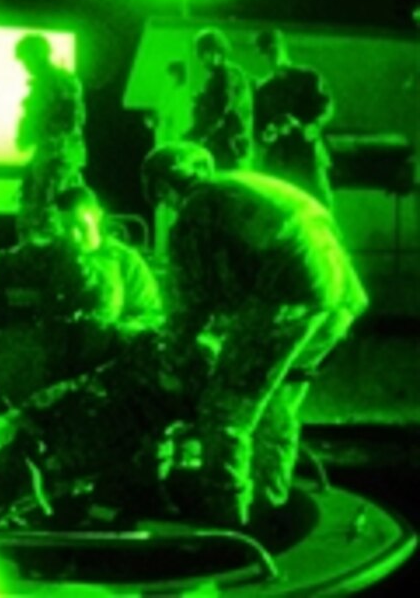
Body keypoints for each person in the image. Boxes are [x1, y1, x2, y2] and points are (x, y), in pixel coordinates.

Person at [141, 142, 368, 527]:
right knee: (275, 401)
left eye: (163, 195)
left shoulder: (197, 209)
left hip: (288, 295)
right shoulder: (248, 184)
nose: (166, 204)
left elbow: (190, 304)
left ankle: (227, 526)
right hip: (342, 296)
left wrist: (171, 360)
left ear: (167, 186)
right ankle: (270, 506)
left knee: (224, 409)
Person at [52, 186, 163, 334]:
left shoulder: (126, 260)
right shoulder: (52, 255)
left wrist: (116, 334)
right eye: (66, 227)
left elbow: (150, 314)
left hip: (111, 352)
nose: (74, 237)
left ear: (98, 216)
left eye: (82, 227)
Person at [13, 34, 88, 243]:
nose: (25, 65)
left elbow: (68, 117)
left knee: (49, 212)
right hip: (47, 153)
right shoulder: (44, 83)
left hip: (57, 154)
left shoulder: (60, 80)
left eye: (26, 58)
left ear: (40, 54)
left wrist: (37, 129)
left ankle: (53, 258)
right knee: (34, 208)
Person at [253, 29, 335, 209]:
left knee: (320, 207)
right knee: (275, 208)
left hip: (307, 155)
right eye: (266, 53)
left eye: (273, 50)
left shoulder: (307, 77)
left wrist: (313, 126)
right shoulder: (263, 89)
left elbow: (326, 107)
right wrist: (268, 134)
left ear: (283, 48)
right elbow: (259, 128)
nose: (271, 57)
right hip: (279, 161)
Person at [185, 28, 254, 171]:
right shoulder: (233, 72)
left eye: (202, 55)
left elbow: (218, 112)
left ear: (214, 52)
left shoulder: (223, 75)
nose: (201, 60)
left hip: (226, 150)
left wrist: (192, 137)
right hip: (234, 147)